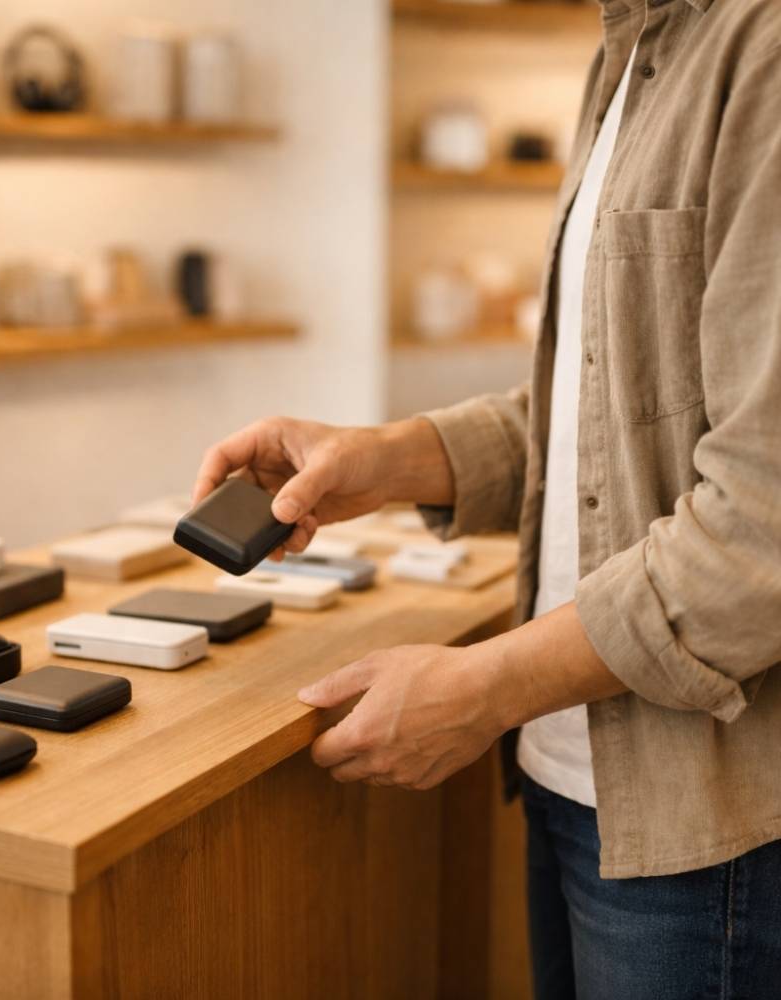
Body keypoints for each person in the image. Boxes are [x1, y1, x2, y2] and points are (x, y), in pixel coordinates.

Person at [191, 0, 781, 996]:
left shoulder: (763, 46)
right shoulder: (630, 51)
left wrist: (485, 688)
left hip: (707, 835)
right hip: (571, 770)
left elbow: (761, 529)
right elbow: (608, 406)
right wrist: (386, 459)